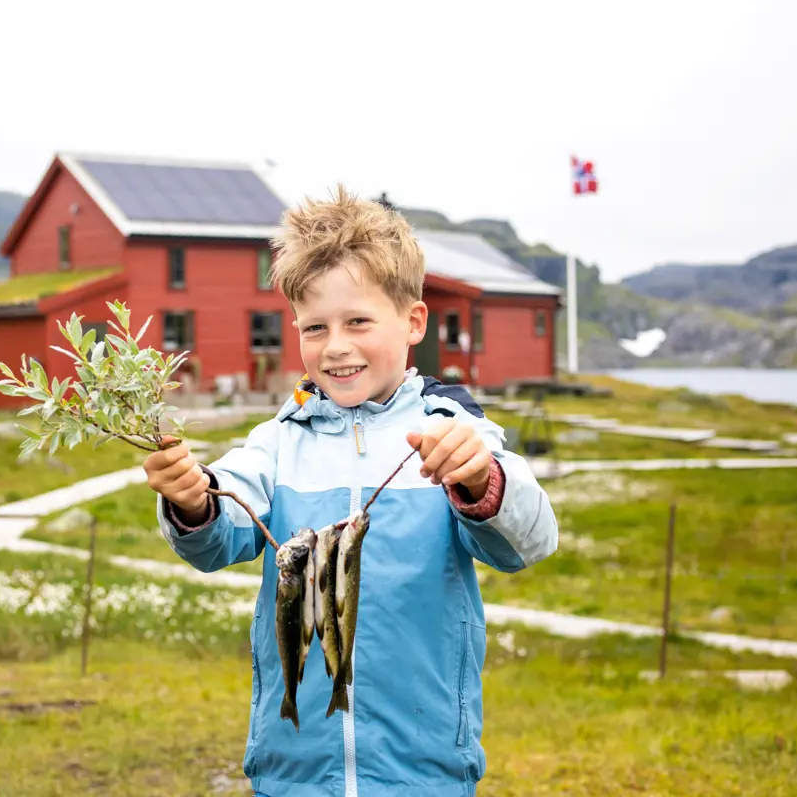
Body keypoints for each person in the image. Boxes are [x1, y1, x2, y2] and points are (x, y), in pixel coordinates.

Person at [143, 185, 558, 796]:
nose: (335, 346)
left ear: (413, 321)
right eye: (315, 327)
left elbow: (530, 541)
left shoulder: (453, 428)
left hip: (426, 770)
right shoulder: (279, 442)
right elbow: (216, 536)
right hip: (293, 772)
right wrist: (191, 499)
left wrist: (480, 480)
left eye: (357, 321)